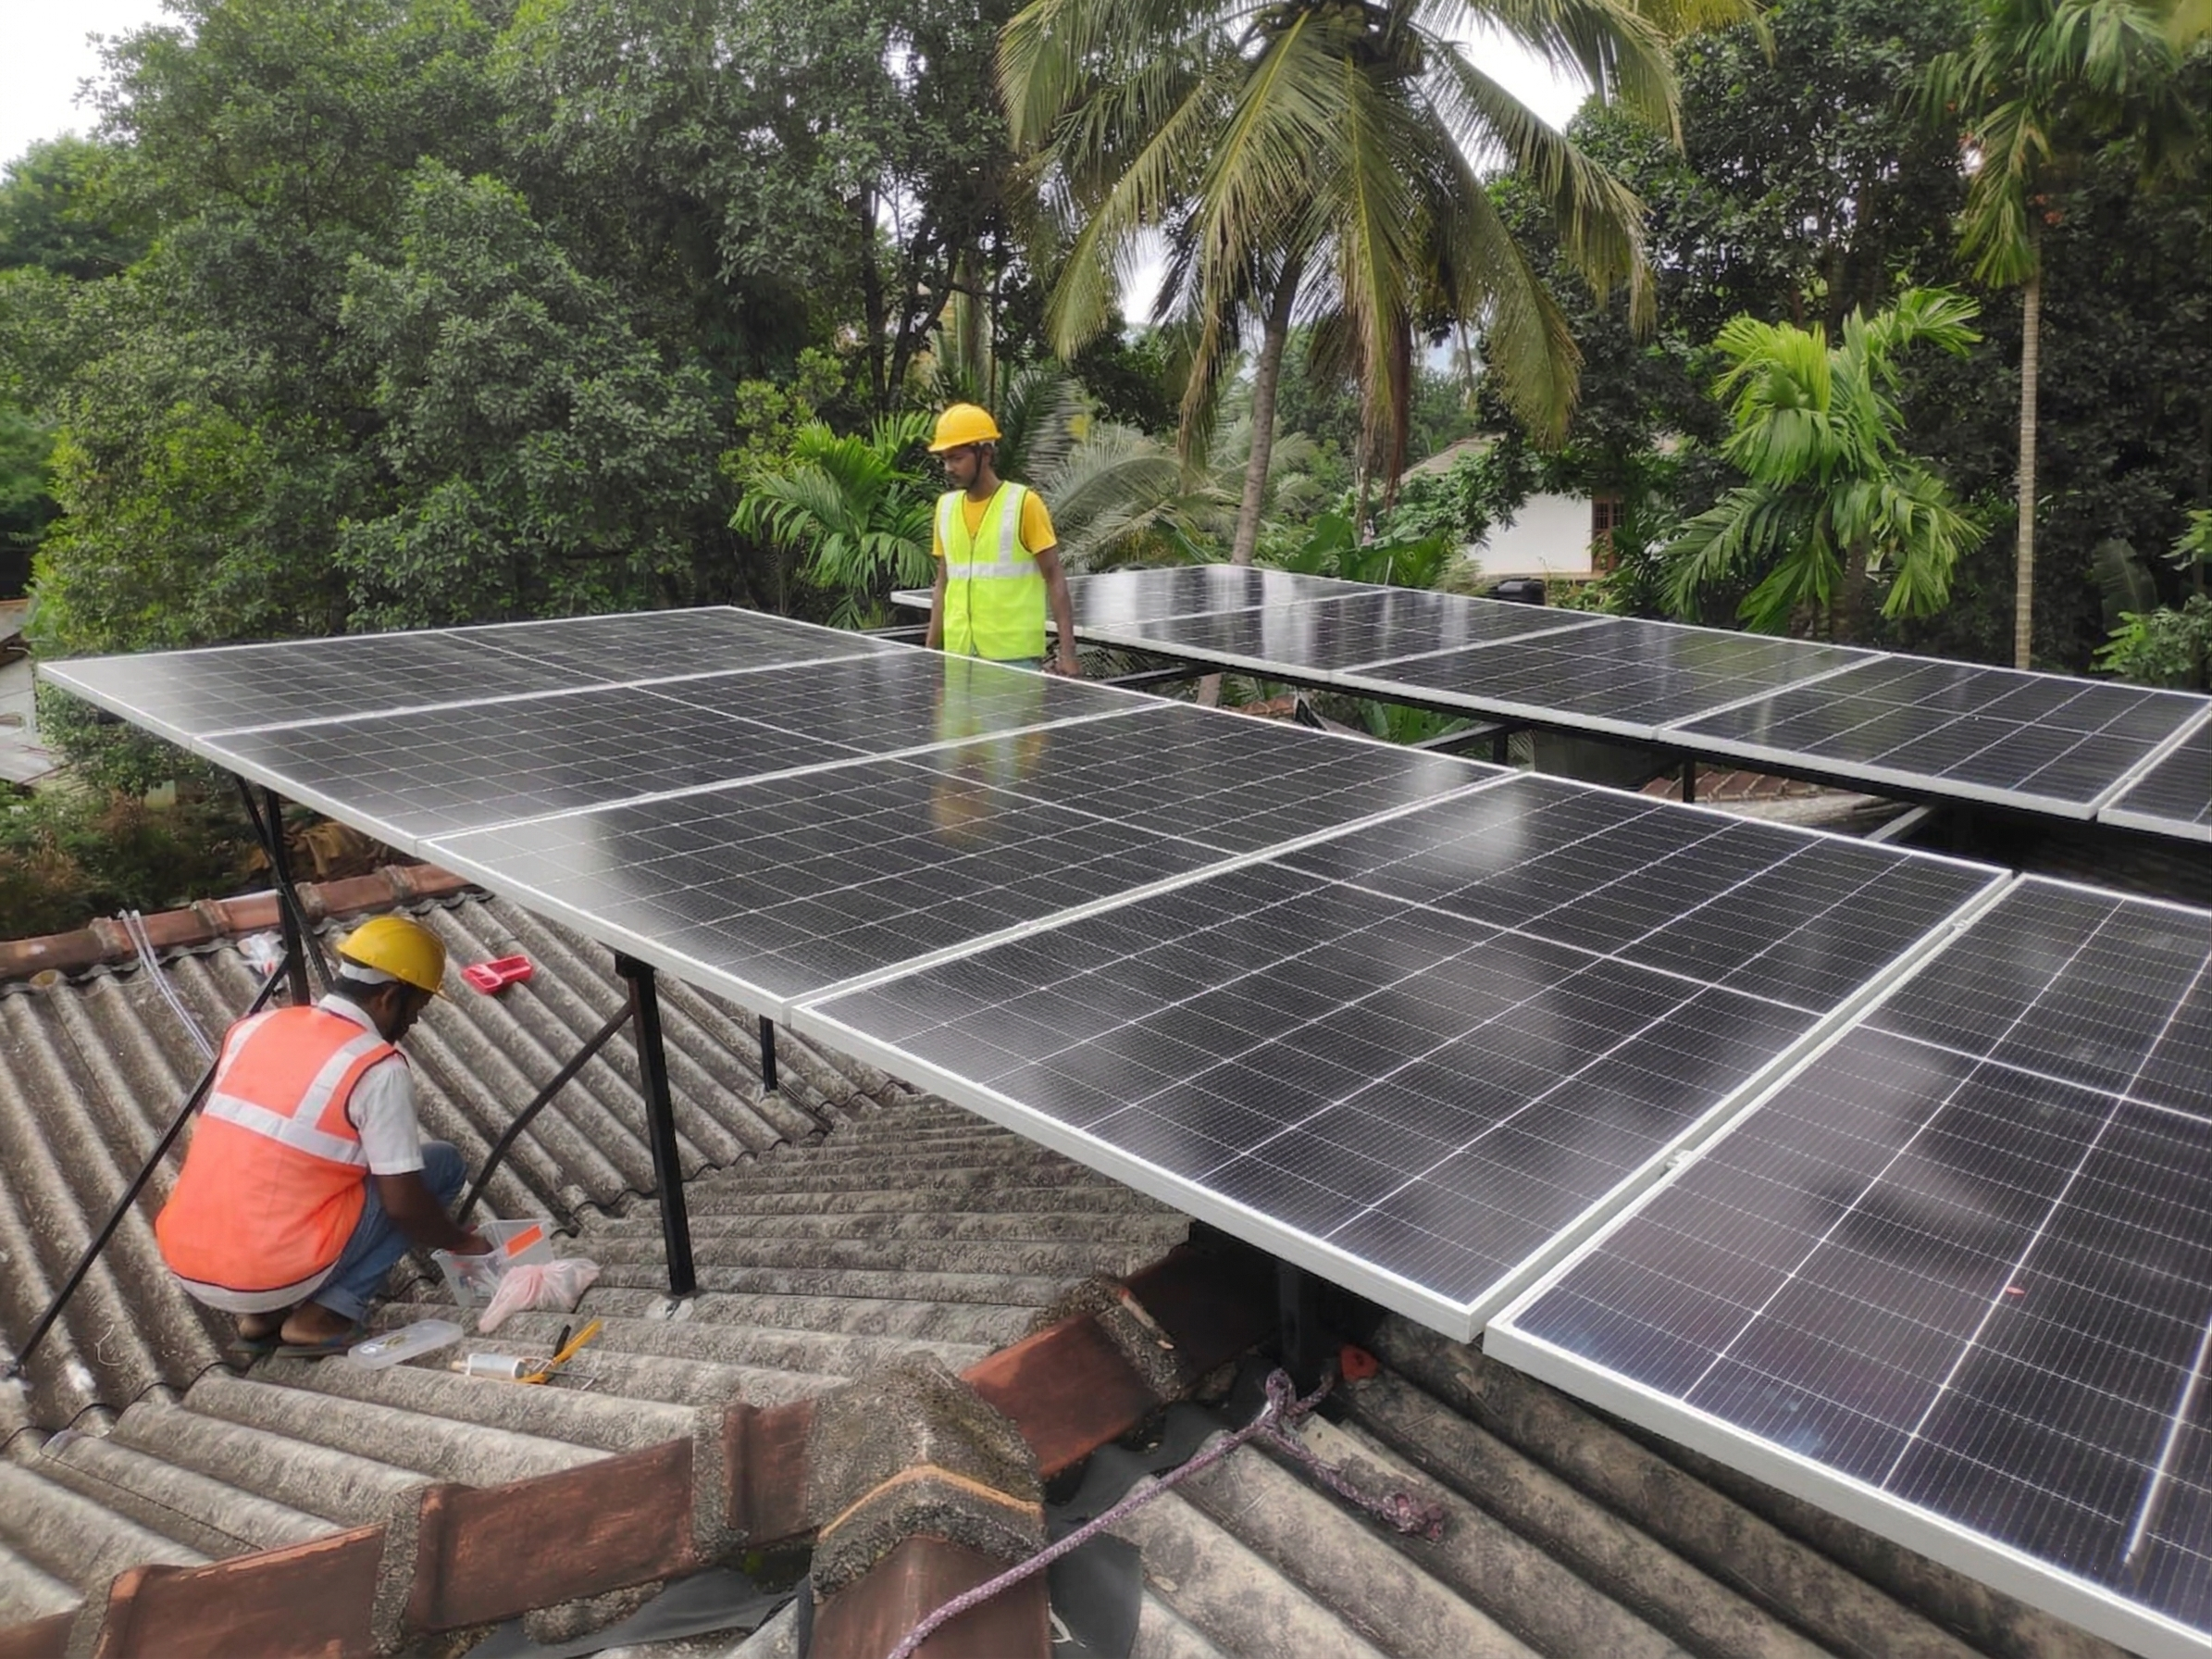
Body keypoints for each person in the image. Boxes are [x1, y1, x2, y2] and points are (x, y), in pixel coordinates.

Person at [155, 914, 490, 1355]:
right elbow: (405, 1206)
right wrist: (465, 1243)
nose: (413, 1023)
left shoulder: (252, 1028)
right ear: (389, 996)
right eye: (417, 1009)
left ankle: (265, 1317)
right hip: (273, 1273)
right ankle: (324, 1315)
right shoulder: (377, 1067)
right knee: (441, 1165)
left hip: (188, 1260)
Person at [924, 403, 1081, 676]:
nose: (948, 468)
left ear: (985, 454)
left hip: (1014, 660)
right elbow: (942, 585)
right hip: (958, 657)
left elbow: (1055, 577)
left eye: (957, 458)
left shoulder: (1024, 504)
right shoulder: (945, 508)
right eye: (944, 459)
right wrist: (929, 651)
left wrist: (1067, 654)